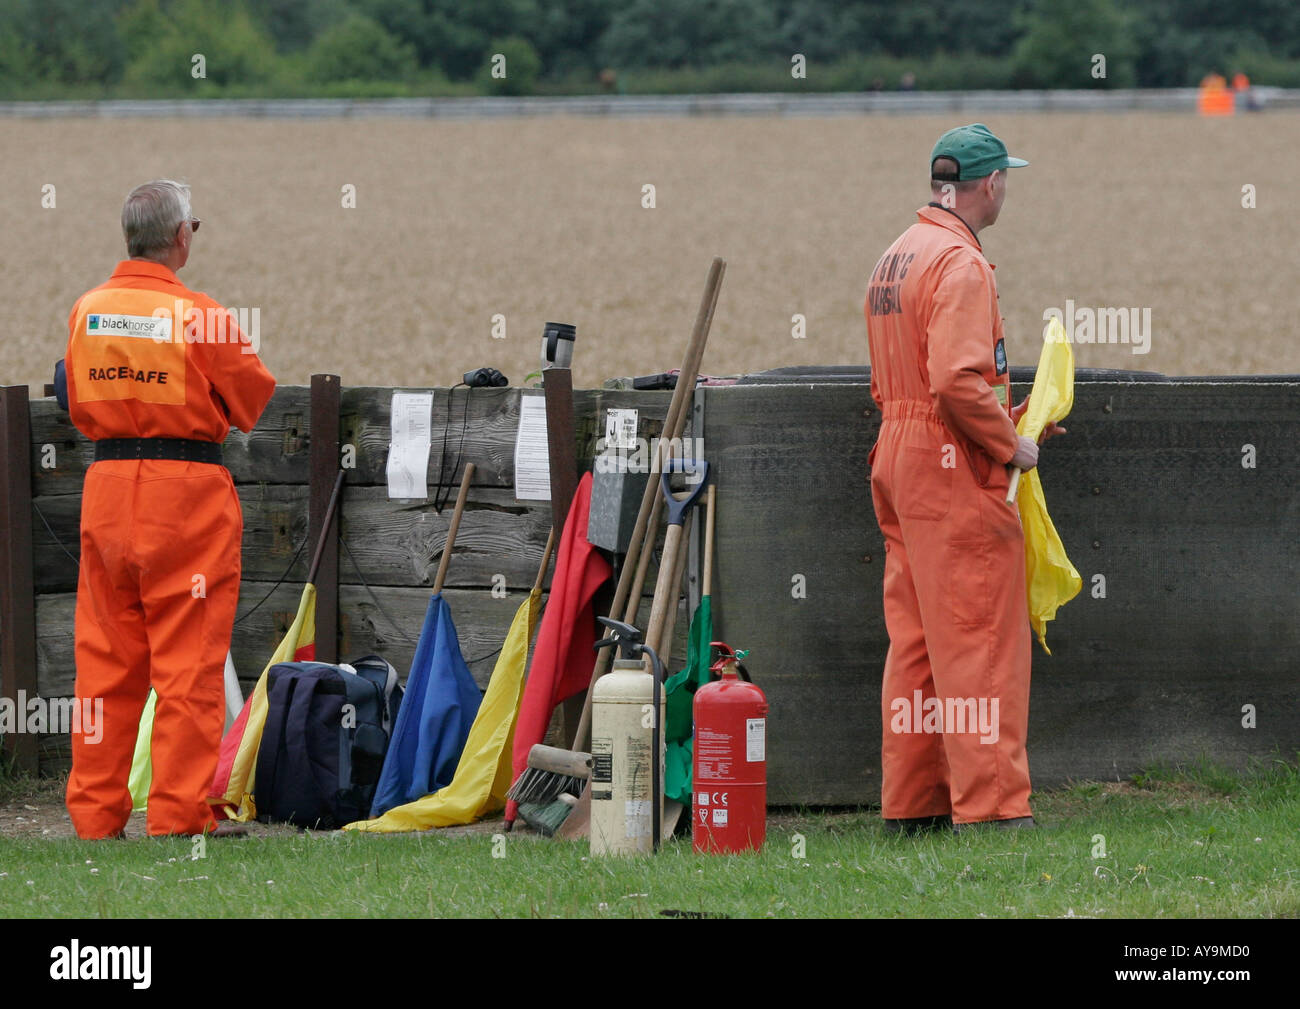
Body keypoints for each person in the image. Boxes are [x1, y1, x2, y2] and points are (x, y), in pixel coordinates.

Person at [63, 180, 276, 838]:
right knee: (187, 665)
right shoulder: (202, 316)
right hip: (185, 498)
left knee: (104, 664)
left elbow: (76, 406)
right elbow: (253, 400)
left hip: (106, 493)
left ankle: (96, 818)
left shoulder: (87, 311)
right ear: (181, 237)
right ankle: (179, 818)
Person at [864, 124, 1061, 834]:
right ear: (988, 184)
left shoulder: (896, 256)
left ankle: (913, 805)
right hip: (952, 469)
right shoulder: (963, 263)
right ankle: (996, 808)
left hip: (898, 457)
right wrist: (1010, 443)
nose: (1006, 187)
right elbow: (954, 380)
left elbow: (924, 381)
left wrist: (1000, 415)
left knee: (916, 639)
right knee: (978, 636)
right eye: (1005, 176)